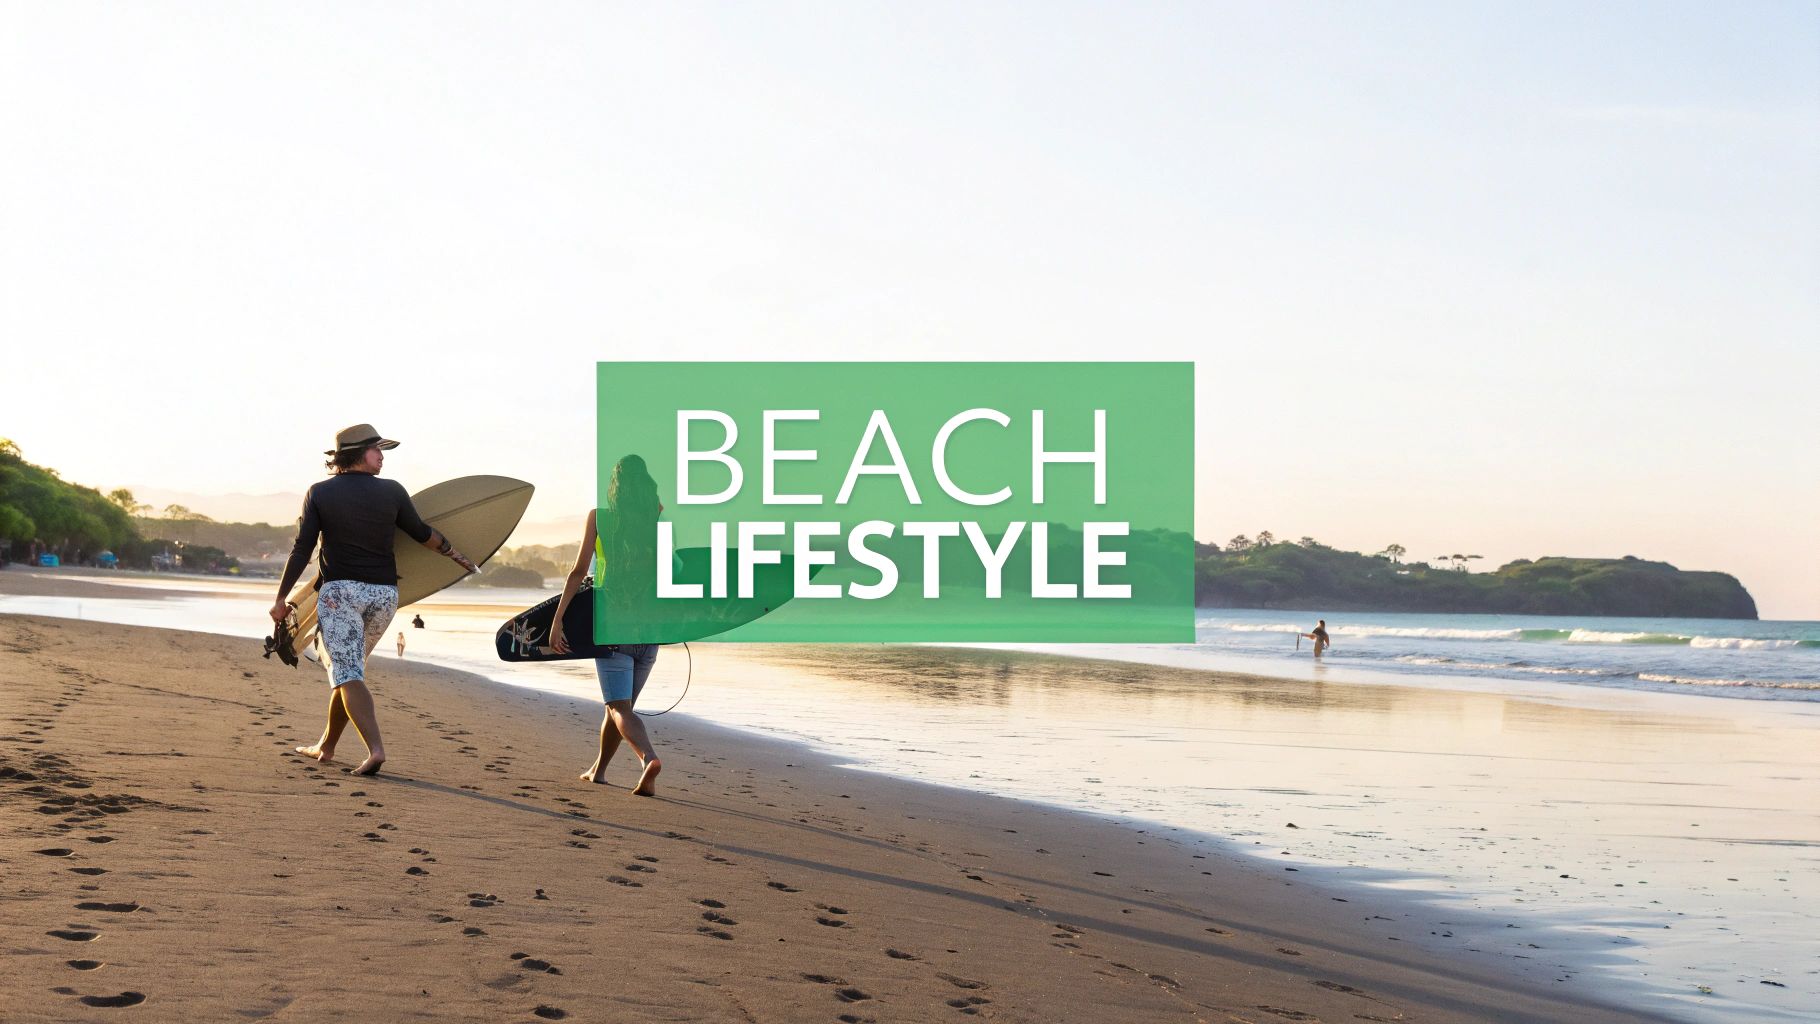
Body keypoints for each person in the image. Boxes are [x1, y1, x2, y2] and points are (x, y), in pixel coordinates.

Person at [271, 424, 477, 776]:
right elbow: (423, 534)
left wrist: (281, 598)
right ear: (357, 454)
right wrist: (455, 555)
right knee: (348, 670)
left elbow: (302, 548)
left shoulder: (320, 493)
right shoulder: (392, 492)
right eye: (376, 450)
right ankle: (327, 745)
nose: (382, 456)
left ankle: (376, 749)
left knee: (347, 673)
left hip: (340, 595)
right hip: (384, 595)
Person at [550, 455, 662, 796]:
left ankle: (649, 759)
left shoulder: (599, 518)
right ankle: (598, 771)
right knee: (619, 707)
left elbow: (578, 571)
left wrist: (558, 621)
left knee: (618, 708)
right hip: (650, 632)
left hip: (614, 627)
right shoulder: (655, 518)